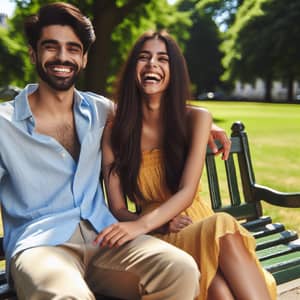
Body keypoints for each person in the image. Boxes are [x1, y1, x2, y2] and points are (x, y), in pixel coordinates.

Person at [0, 3, 232, 300]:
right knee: (66, 296)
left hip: (105, 237)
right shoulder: (5, 124)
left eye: (73, 49)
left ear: (83, 59)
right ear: (33, 53)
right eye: (50, 47)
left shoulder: (99, 110)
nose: (62, 57)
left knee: (180, 269)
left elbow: (152, 114)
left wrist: (202, 124)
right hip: (42, 247)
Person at [96, 30, 277, 300]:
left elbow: (187, 191)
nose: (152, 65)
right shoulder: (115, 130)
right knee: (219, 289)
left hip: (200, 222)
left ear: (174, 70)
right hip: (162, 235)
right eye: (143, 57)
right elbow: (119, 208)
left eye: (162, 59)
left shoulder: (197, 118)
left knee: (221, 272)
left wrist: (142, 225)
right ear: (133, 67)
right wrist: (153, 225)